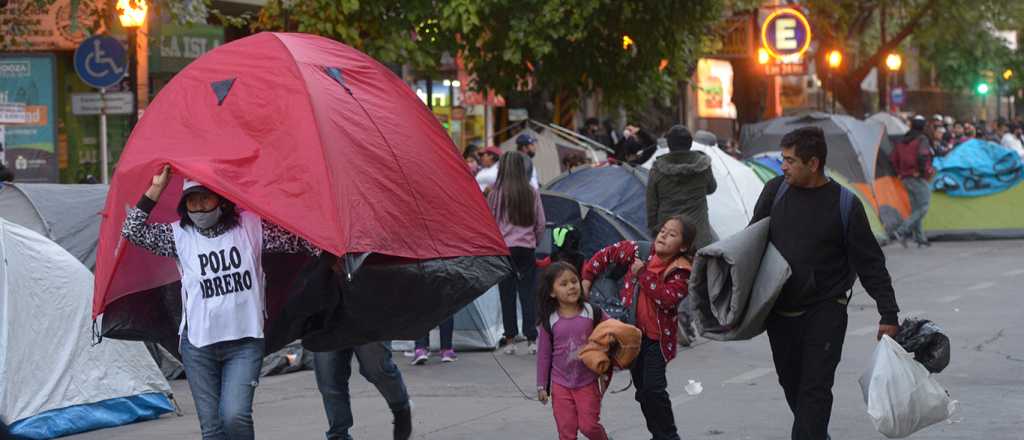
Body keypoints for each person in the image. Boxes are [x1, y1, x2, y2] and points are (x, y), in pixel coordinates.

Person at [122, 165, 320, 439]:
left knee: (235, 416)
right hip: (198, 347)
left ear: (222, 201)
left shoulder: (250, 227)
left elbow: (303, 237)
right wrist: (157, 187)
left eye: (205, 198)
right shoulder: (178, 236)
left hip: (244, 343)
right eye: (192, 200)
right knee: (212, 429)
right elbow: (132, 231)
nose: (199, 207)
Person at [749, 126, 900, 440]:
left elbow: (870, 262)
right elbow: (751, 243)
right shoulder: (775, 192)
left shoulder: (845, 205)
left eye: (790, 161)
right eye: (783, 160)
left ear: (813, 163)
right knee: (792, 386)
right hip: (780, 313)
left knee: (815, 389)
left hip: (825, 310)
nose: (783, 167)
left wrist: (888, 313)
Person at [581, 215, 696, 440]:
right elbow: (609, 253)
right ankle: (658, 434)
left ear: (683, 246)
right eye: (663, 230)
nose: (664, 235)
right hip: (632, 338)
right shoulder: (640, 251)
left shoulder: (681, 270)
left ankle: (669, 436)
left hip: (657, 342)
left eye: (672, 234)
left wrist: (642, 274)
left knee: (654, 390)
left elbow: (668, 299)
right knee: (643, 392)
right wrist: (587, 276)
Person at [536, 262, 610, 440]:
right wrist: (541, 385)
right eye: (564, 284)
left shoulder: (592, 312)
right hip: (560, 383)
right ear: (552, 292)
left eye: (574, 281)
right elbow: (544, 356)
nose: (571, 287)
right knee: (566, 431)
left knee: (589, 426)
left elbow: (613, 329)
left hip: (588, 381)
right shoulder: (550, 320)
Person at [489, 151, 546, 355]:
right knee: (528, 293)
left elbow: (491, 222)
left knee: (507, 294)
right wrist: (533, 242)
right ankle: (531, 338)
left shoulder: (497, 193)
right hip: (527, 247)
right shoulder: (531, 191)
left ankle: (511, 338)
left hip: (505, 249)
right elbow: (540, 223)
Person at [313, 343, 413, 440]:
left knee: (376, 368)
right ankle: (338, 435)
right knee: (329, 378)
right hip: (326, 327)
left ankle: (401, 407)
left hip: (368, 326)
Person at [646, 125, 717, 250]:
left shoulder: (657, 170)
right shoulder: (703, 166)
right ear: (690, 144)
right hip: (699, 236)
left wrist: (656, 232)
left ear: (669, 144)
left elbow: (651, 207)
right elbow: (711, 188)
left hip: (669, 238)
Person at [891, 116, 935, 248]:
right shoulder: (922, 139)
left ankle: (920, 238)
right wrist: (922, 172)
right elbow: (922, 156)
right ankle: (901, 230)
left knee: (916, 208)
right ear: (922, 126)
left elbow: (893, 159)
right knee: (924, 205)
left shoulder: (902, 140)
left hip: (904, 177)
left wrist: (900, 171)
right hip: (917, 176)